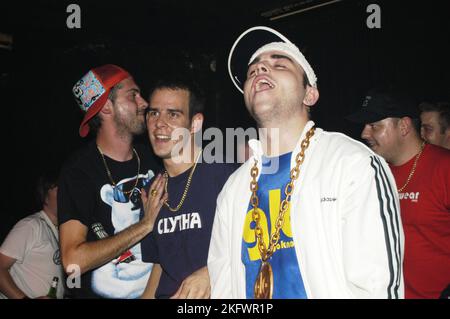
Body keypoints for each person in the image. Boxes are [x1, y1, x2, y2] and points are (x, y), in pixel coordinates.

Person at [208, 26, 404, 299]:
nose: (261, 70)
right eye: (253, 70)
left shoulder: (351, 164)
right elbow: (224, 287)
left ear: (309, 94)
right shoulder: (233, 189)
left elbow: (377, 287)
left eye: (279, 64)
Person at [58, 64, 161, 298]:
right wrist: (144, 225)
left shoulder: (152, 159)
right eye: (133, 95)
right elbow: (72, 260)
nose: (144, 103)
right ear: (106, 107)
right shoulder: (79, 172)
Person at [347, 90, 450, 299]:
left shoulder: (444, 167)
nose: (364, 134)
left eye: (374, 125)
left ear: (403, 126)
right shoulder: (370, 173)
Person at [140, 78, 236, 299]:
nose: (159, 123)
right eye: (153, 113)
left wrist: (211, 273)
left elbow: (255, 248)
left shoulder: (226, 178)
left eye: (173, 114)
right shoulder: (152, 189)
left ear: (194, 124)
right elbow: (162, 263)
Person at [0, 171, 64, 299]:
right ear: (45, 196)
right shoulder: (31, 226)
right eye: (60, 190)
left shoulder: (61, 231)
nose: (67, 195)